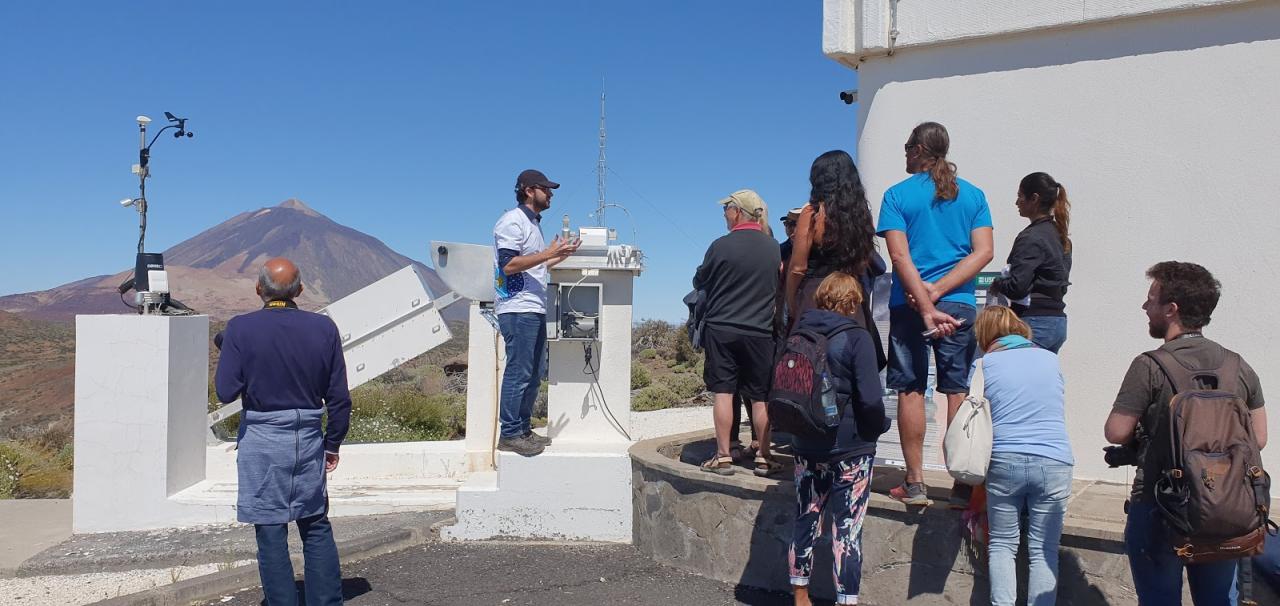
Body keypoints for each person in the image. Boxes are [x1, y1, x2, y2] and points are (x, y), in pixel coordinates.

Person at [1104, 261, 1268, 605]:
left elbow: (1117, 431)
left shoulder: (1150, 364)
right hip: (1223, 507)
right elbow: (1259, 439)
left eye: (1151, 299)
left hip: (1158, 503)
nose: (1145, 307)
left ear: (1171, 309)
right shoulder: (1238, 366)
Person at [214, 258, 351, 606]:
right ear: (300, 291)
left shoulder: (240, 329)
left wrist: (229, 348)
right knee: (315, 522)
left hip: (262, 437)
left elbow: (226, 390)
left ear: (259, 289)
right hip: (307, 436)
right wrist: (332, 442)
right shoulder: (324, 329)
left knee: (271, 529)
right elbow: (338, 397)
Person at [878, 122, 993, 507]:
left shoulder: (897, 195)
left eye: (907, 146)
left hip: (910, 304)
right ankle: (961, 485)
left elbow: (899, 256)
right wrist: (942, 291)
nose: (904, 152)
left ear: (919, 149)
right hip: (958, 303)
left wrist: (926, 301)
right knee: (955, 390)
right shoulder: (974, 195)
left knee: (910, 389)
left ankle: (914, 483)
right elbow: (984, 253)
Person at [787, 272, 889, 606]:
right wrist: (876, 430)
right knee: (846, 530)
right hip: (850, 448)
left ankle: (800, 596)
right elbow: (871, 399)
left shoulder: (799, 331)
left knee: (805, 519)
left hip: (805, 443)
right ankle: (845, 601)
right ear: (852, 301)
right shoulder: (857, 337)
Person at [974, 306, 1074, 606]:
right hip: (1054, 460)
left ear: (986, 334)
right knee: (1044, 548)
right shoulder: (1049, 358)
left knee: (1003, 544)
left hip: (1005, 459)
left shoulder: (984, 364)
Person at [493, 169, 580, 457]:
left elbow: (535, 266)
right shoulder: (512, 222)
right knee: (519, 370)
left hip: (533, 307)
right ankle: (509, 433)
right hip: (517, 308)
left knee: (533, 372)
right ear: (530, 190)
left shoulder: (532, 224)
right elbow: (508, 265)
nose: (551, 193)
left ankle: (523, 429)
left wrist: (560, 255)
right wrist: (546, 253)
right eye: (547, 189)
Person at [693, 189, 781, 477]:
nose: (724, 214)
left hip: (722, 328)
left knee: (723, 392)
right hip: (760, 330)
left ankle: (723, 456)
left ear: (737, 212)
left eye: (726, 209)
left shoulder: (720, 246)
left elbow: (700, 279)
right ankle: (764, 458)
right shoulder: (773, 248)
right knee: (760, 397)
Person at [784, 151, 885, 353]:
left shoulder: (811, 213)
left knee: (809, 369)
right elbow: (863, 261)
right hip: (851, 299)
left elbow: (797, 267)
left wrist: (791, 303)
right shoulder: (861, 215)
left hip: (815, 297)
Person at [730, 206, 806, 463]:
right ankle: (758, 440)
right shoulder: (779, 251)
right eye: (788, 224)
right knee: (761, 386)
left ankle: (793, 439)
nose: (791, 229)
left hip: (804, 325)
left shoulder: (816, 251)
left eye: (795, 224)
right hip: (775, 325)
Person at [988, 172, 1073, 353]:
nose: (1016, 202)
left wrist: (998, 283)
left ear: (1034, 198)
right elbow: (1061, 286)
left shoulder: (1031, 237)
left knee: (1020, 378)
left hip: (1033, 322)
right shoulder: (1061, 236)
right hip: (1057, 321)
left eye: (1020, 196)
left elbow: (1018, 286)